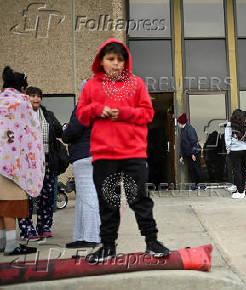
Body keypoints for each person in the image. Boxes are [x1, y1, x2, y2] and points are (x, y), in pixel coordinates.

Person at [76, 38, 169, 262]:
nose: (116, 63)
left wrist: (123, 113)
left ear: (125, 62)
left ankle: (151, 242)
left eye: (120, 59)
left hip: (133, 153)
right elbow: (81, 115)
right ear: (101, 61)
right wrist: (98, 109)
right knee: (108, 202)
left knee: (140, 199)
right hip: (104, 154)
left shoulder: (137, 84)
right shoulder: (91, 86)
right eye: (110, 59)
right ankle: (108, 247)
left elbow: (147, 114)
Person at [0, 66, 44, 255]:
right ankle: (11, 244)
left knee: (0, 202)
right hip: (13, 162)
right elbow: (31, 133)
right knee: (11, 203)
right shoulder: (22, 102)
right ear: (23, 88)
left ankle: (2, 241)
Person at [18, 86, 63, 240]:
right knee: (28, 197)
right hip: (28, 164)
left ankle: (44, 226)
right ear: (26, 98)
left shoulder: (47, 115)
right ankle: (27, 229)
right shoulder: (21, 115)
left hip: (47, 162)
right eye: (32, 96)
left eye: (38, 96)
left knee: (47, 197)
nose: (36, 99)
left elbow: (59, 131)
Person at [62, 80, 100, 248]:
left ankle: (91, 236)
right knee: (85, 198)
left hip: (84, 156)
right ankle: (81, 235)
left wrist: (65, 132)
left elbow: (74, 130)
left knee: (87, 196)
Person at [225, 109, 246, 199]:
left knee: (237, 171)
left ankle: (240, 191)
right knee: (243, 171)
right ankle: (242, 190)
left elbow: (227, 139)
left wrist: (228, 149)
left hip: (235, 151)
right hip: (245, 150)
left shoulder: (229, 125)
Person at [177, 113, 205, 190]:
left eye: (179, 123)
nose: (178, 124)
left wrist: (193, 154)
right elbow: (182, 144)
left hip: (195, 152)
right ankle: (195, 185)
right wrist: (181, 155)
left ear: (182, 122)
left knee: (197, 169)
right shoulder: (183, 130)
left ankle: (202, 185)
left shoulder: (190, 129)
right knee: (191, 170)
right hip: (189, 154)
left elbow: (194, 142)